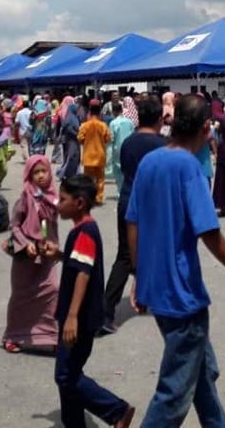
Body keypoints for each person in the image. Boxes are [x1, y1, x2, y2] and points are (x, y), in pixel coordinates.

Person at [127, 95, 225, 427]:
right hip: (182, 296)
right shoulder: (189, 166)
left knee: (201, 375)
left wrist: (139, 275)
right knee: (174, 393)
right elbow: (208, 231)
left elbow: (133, 221)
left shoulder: (150, 161)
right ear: (206, 128)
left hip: (159, 290)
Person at [44, 174, 135, 428]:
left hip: (80, 318)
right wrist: (60, 255)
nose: (58, 203)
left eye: (63, 199)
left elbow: (83, 274)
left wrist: (72, 316)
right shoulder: (82, 230)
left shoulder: (85, 231)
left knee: (66, 375)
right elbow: (80, 262)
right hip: (77, 316)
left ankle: (117, 410)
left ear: (80, 203)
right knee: (69, 373)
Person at [102, 95, 165, 333]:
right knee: (151, 251)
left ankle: (113, 308)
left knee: (125, 254)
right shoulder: (162, 144)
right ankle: (111, 308)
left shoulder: (129, 142)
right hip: (150, 205)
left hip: (127, 199)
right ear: (160, 119)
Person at [2, 155, 60, 354]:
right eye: (36, 172)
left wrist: (53, 245)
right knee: (22, 296)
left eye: (44, 171)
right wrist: (26, 243)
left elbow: (52, 226)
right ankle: (13, 336)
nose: (41, 176)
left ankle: (51, 336)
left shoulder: (53, 198)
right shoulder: (25, 198)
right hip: (26, 256)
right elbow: (14, 226)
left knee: (52, 290)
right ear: (29, 175)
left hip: (46, 253)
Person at [78, 100, 112, 205]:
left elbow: (80, 138)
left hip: (88, 155)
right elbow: (108, 138)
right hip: (100, 155)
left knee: (88, 179)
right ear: (99, 112)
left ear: (90, 111)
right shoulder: (103, 125)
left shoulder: (84, 125)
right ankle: (98, 198)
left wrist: (86, 142)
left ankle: (88, 197)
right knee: (100, 178)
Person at [106, 97, 138, 194]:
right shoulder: (129, 122)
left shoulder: (113, 123)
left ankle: (121, 191)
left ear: (114, 112)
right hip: (129, 148)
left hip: (117, 149)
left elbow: (111, 138)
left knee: (118, 172)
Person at [58, 98, 83, 180]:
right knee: (72, 157)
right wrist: (76, 134)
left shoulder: (75, 117)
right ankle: (64, 173)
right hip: (71, 140)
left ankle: (73, 173)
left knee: (76, 157)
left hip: (75, 140)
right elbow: (69, 129)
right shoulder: (69, 118)